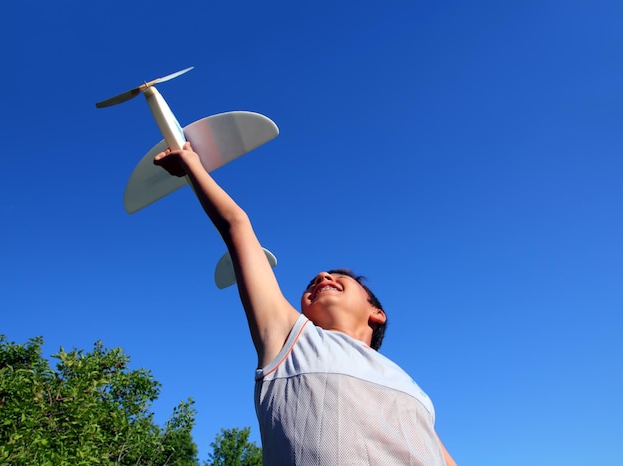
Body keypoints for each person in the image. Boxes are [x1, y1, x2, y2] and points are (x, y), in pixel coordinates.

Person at [154, 142, 457, 466]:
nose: (322, 275)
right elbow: (236, 225)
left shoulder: (414, 389)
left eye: (342, 276)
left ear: (376, 313)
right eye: (313, 281)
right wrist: (191, 166)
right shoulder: (291, 339)